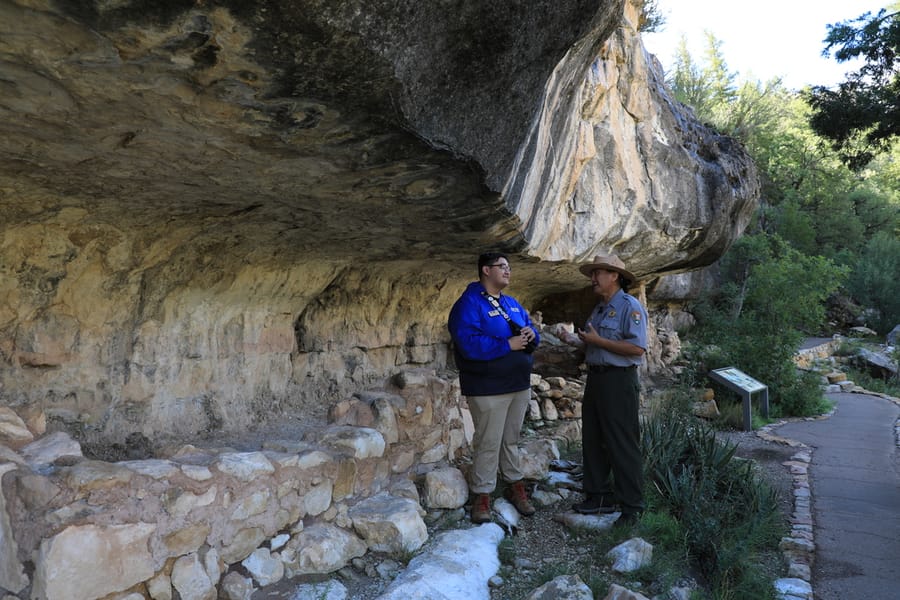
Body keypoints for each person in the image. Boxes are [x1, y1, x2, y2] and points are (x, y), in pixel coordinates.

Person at [447, 252, 540, 523]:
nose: (508, 271)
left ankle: (514, 484)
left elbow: (531, 328)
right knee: (488, 442)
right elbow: (467, 342)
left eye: (509, 267)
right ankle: (483, 495)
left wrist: (534, 335)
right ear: (486, 270)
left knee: (510, 439)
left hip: (518, 384)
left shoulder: (512, 304)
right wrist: (506, 345)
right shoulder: (468, 304)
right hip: (488, 387)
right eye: (502, 267)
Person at [570, 254, 648, 525]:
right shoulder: (600, 308)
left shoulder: (630, 306)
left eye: (597, 273)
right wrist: (578, 341)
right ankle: (598, 496)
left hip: (619, 380)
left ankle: (632, 507)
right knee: (593, 437)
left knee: (622, 441)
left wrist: (598, 341)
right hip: (597, 379)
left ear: (613, 276)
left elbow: (637, 348)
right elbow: (595, 343)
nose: (592, 279)